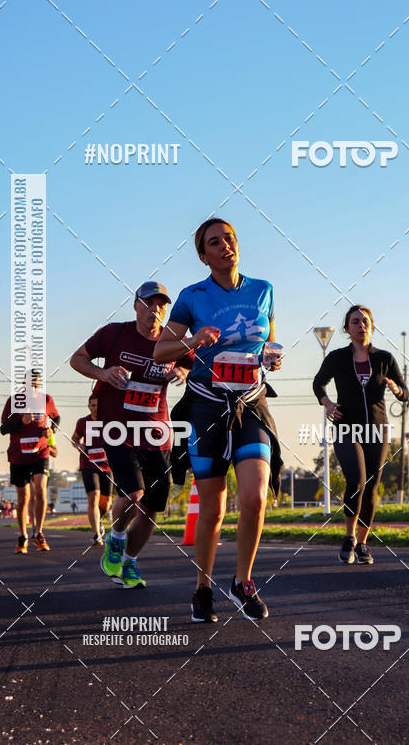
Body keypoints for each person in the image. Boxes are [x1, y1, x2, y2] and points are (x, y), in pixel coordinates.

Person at [154, 218, 282, 623]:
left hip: (251, 404)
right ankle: (203, 588)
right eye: (215, 242)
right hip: (207, 407)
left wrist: (270, 357)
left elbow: (267, 341)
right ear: (203, 255)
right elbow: (161, 351)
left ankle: (243, 582)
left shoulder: (263, 290)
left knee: (255, 498)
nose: (225, 245)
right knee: (212, 509)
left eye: (230, 238)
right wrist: (192, 340)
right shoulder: (192, 297)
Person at [70, 281, 191, 589]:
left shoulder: (172, 341)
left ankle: (130, 561)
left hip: (156, 434)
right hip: (118, 430)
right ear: (136, 305)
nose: (155, 309)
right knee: (134, 494)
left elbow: (197, 367)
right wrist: (103, 373)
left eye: (161, 304)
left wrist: (183, 372)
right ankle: (116, 537)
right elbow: (77, 359)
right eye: (149, 303)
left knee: (151, 507)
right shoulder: (114, 334)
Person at [313, 305, 408, 565]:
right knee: (356, 481)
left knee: (371, 487)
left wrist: (396, 389)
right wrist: (328, 404)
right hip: (347, 428)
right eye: (355, 322)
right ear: (347, 329)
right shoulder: (337, 358)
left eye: (365, 321)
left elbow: (405, 392)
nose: (361, 325)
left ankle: (363, 543)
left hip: (377, 430)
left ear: (372, 326)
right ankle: (349, 536)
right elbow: (318, 383)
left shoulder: (384, 358)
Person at [0, 369, 60, 553]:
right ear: (23, 383)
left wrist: (52, 430)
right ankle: (23, 536)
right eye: (30, 381)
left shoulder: (46, 399)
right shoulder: (14, 401)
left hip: (40, 452)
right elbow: (3, 429)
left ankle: (39, 533)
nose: (34, 384)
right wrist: (22, 422)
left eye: (36, 381)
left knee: (40, 490)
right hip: (18, 454)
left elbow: (56, 418)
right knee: (23, 497)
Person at [72, 394, 113, 545]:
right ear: (89, 407)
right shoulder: (83, 422)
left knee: (106, 503)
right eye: (93, 405)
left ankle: (98, 520)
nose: (96, 408)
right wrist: (78, 445)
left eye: (98, 405)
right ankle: (97, 534)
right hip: (88, 464)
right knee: (93, 496)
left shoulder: (110, 421)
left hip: (106, 465)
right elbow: (75, 438)